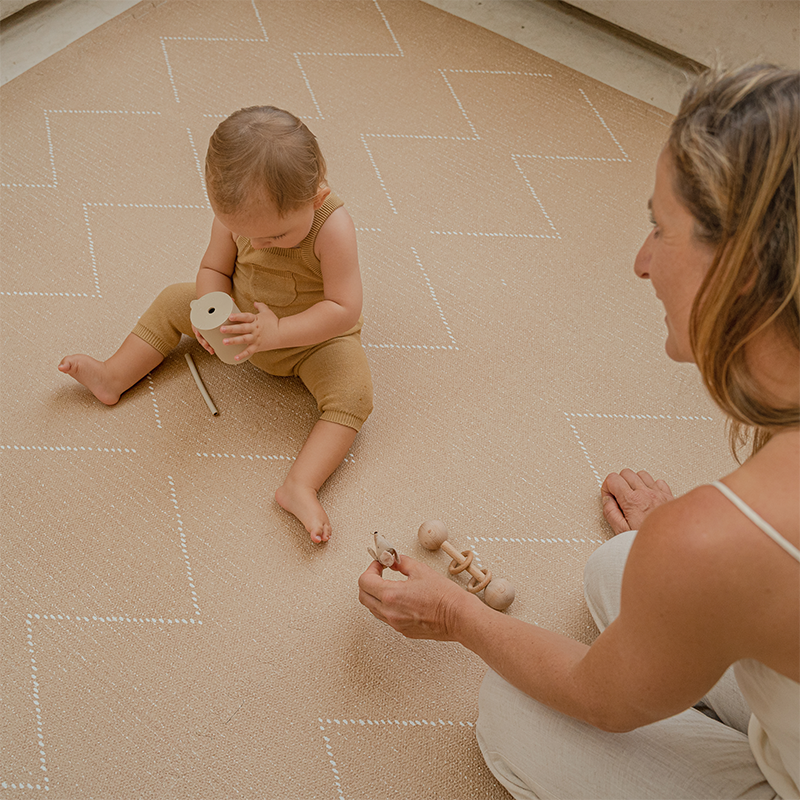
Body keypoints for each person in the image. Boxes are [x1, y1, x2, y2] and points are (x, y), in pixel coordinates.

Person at [359, 64, 799, 799]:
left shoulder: (710, 543)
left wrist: (454, 613)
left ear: (743, 271)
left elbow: (601, 700)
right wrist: (692, 557)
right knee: (620, 567)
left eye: (661, 228)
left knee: (517, 711)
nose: (640, 262)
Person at [59, 106, 373, 544]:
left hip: (312, 340)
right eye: (246, 234)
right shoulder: (236, 218)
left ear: (316, 197)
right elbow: (213, 268)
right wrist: (213, 312)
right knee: (175, 297)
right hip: (240, 320)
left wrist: (279, 332)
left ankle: (300, 484)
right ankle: (113, 374)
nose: (260, 244)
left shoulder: (333, 226)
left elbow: (343, 307)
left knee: (355, 393)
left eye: (276, 237)